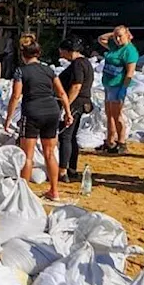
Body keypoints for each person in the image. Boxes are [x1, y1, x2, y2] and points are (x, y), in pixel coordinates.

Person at [3, 41, 74, 201]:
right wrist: (68, 113)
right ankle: (54, 191)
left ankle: (24, 193)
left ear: (23, 55)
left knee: (27, 155)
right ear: (38, 54)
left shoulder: (21, 71)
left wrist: (9, 118)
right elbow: (62, 93)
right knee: (49, 153)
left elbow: (15, 96)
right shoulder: (48, 70)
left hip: (32, 112)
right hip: (52, 111)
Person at [56, 38, 94, 182]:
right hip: (82, 103)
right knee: (71, 137)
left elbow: (76, 86)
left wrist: (67, 106)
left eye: (62, 52)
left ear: (68, 51)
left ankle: (63, 171)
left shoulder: (77, 65)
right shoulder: (86, 63)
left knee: (65, 136)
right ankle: (71, 168)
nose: (61, 55)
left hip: (75, 104)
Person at [97, 26, 139, 154]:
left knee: (117, 115)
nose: (117, 39)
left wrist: (124, 88)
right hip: (108, 83)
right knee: (109, 113)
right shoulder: (114, 46)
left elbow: (130, 72)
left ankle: (121, 142)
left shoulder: (129, 51)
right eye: (116, 36)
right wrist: (114, 33)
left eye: (120, 36)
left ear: (127, 35)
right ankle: (110, 140)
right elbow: (101, 39)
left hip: (118, 85)